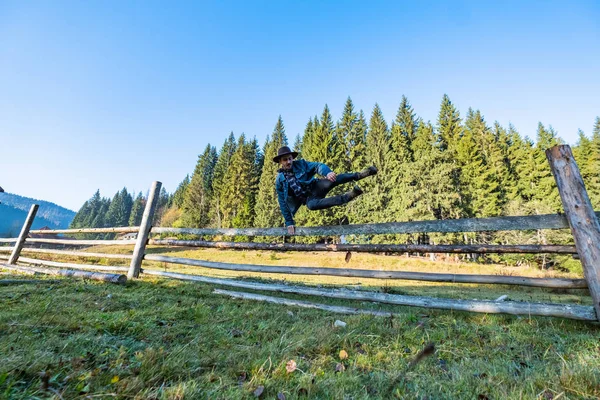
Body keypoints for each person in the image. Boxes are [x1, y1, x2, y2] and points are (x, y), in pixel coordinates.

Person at [274, 146, 377, 235]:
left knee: (331, 180)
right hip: (309, 198)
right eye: (285, 160)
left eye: (290, 159)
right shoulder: (280, 181)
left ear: (292, 158)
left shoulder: (301, 164)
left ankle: (360, 174)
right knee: (311, 205)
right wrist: (289, 222)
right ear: (280, 161)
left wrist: (327, 172)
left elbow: (317, 166)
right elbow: (282, 202)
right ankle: (349, 196)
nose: (288, 162)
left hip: (316, 186)